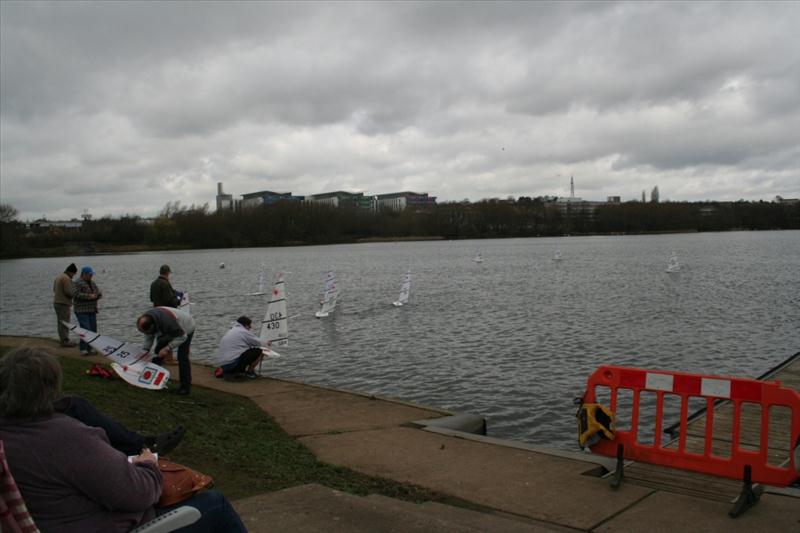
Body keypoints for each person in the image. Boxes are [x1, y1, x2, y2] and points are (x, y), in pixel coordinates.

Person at [0, 347, 246, 533]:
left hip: (53, 521)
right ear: (51, 388)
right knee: (214, 503)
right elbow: (138, 494)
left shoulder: (8, 437)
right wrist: (148, 464)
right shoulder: (64, 438)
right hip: (105, 526)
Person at [137, 306, 195, 395]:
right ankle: (153, 381)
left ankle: (185, 388)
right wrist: (145, 351)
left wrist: (167, 348)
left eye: (148, 331)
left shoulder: (167, 322)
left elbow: (182, 337)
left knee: (182, 357)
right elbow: (148, 337)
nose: (148, 334)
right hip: (166, 328)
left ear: (152, 326)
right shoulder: (147, 319)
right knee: (157, 352)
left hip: (186, 327)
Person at [218, 316, 267, 380]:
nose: (250, 328)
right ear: (246, 325)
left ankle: (238, 372)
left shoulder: (232, 330)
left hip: (224, 366)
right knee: (260, 351)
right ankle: (250, 372)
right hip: (232, 365)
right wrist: (267, 342)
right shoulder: (243, 331)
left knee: (249, 351)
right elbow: (259, 343)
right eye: (249, 326)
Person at [73, 266, 103, 355]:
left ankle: (91, 348)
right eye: (90, 275)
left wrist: (98, 295)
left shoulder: (92, 283)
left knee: (93, 330)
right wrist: (89, 296)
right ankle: (83, 349)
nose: (91, 276)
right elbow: (75, 294)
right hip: (81, 310)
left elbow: (97, 292)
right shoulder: (77, 283)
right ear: (84, 274)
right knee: (86, 329)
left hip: (92, 310)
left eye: (92, 275)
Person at [53, 263, 78, 347]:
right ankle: (65, 341)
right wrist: (76, 294)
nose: (73, 276)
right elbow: (69, 292)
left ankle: (63, 339)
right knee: (65, 323)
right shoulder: (66, 278)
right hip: (63, 303)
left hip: (57, 302)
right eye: (74, 274)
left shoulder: (58, 277)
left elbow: (54, 290)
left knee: (60, 322)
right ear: (71, 272)